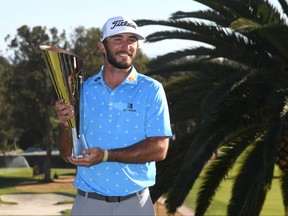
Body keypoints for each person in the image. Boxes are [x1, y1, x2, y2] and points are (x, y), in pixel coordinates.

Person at [55, 15, 172, 216]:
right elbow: (67, 155)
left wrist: (106, 156)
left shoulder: (151, 89)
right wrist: (66, 126)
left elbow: (159, 149)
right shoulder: (82, 91)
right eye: (118, 39)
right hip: (88, 204)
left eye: (132, 40)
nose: (126, 45)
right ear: (102, 46)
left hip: (136, 205)